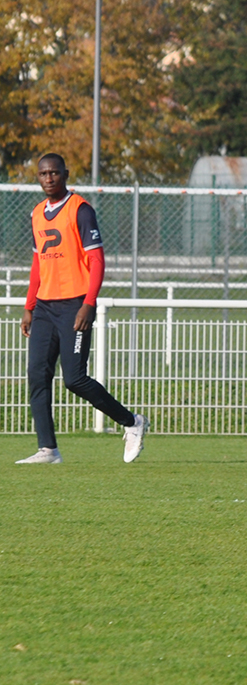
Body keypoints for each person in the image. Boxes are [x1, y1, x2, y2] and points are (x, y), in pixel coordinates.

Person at [16, 154, 148, 465]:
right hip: (45, 307)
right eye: (44, 173)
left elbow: (97, 260)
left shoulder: (80, 210)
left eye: (55, 173)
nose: (49, 178)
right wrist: (29, 306)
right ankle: (47, 449)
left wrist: (89, 303)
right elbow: (38, 263)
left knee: (74, 379)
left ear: (65, 174)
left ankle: (132, 422)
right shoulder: (36, 213)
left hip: (75, 305)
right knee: (37, 374)